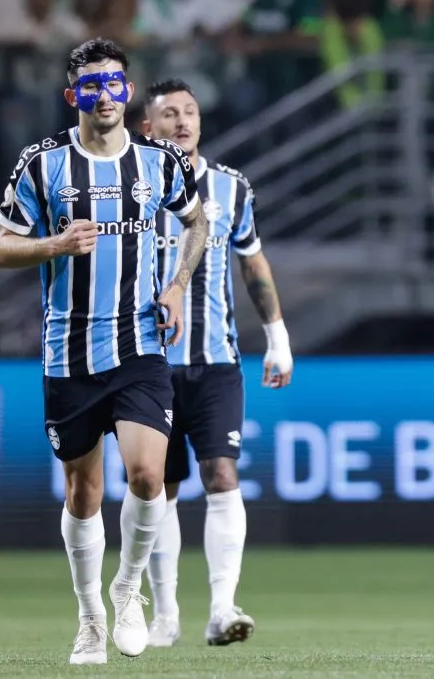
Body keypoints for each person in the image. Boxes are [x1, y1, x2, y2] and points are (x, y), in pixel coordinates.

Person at [0, 38, 208, 666]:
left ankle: (128, 588)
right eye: (91, 87)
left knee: (146, 475)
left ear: (128, 92)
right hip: (69, 350)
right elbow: (0, 247)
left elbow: (197, 222)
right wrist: (55, 246)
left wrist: (176, 284)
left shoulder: (160, 163)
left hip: (140, 343)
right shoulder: (42, 164)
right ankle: (88, 619)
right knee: (84, 493)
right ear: (72, 97)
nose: (105, 96)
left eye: (115, 84)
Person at [140, 78, 294, 648]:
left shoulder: (230, 188)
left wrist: (277, 337)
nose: (182, 121)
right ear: (146, 129)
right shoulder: (130, 190)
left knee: (222, 475)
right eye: (168, 114)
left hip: (216, 362)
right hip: (146, 365)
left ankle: (222, 608)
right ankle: (164, 615)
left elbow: (252, 263)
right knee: (157, 487)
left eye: (190, 112)